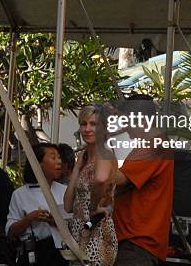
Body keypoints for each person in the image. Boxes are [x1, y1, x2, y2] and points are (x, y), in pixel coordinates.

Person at [95, 97, 174, 266]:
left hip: (138, 243)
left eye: (126, 121)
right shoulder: (147, 145)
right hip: (132, 241)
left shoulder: (155, 145)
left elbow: (119, 179)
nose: (125, 127)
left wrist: (101, 144)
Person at [65, 105, 118, 266]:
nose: (87, 128)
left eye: (93, 124)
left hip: (97, 232)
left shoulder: (104, 153)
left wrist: (94, 206)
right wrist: (76, 167)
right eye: (83, 123)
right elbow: (67, 205)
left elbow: (101, 179)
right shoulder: (85, 158)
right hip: (79, 231)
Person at [6, 143, 68, 266]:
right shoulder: (20, 194)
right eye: (53, 157)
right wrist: (30, 218)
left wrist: (56, 221)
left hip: (61, 254)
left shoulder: (65, 191)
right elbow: (11, 232)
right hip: (33, 252)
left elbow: (77, 224)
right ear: (38, 163)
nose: (59, 162)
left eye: (59, 158)